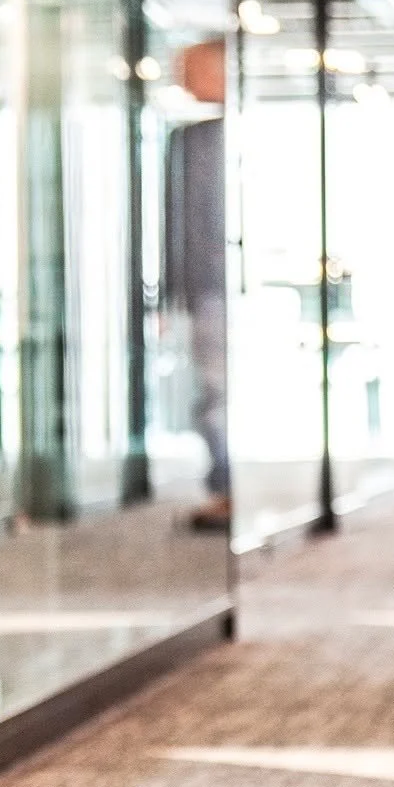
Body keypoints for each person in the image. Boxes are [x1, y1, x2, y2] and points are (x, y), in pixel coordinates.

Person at [165, 39, 230, 532]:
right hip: (208, 289)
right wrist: (173, 294)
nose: (179, 75)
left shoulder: (242, 136)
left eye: (190, 66)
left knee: (218, 393)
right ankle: (226, 487)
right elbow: (176, 224)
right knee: (211, 393)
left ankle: (231, 490)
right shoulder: (190, 139)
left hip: (233, 289)